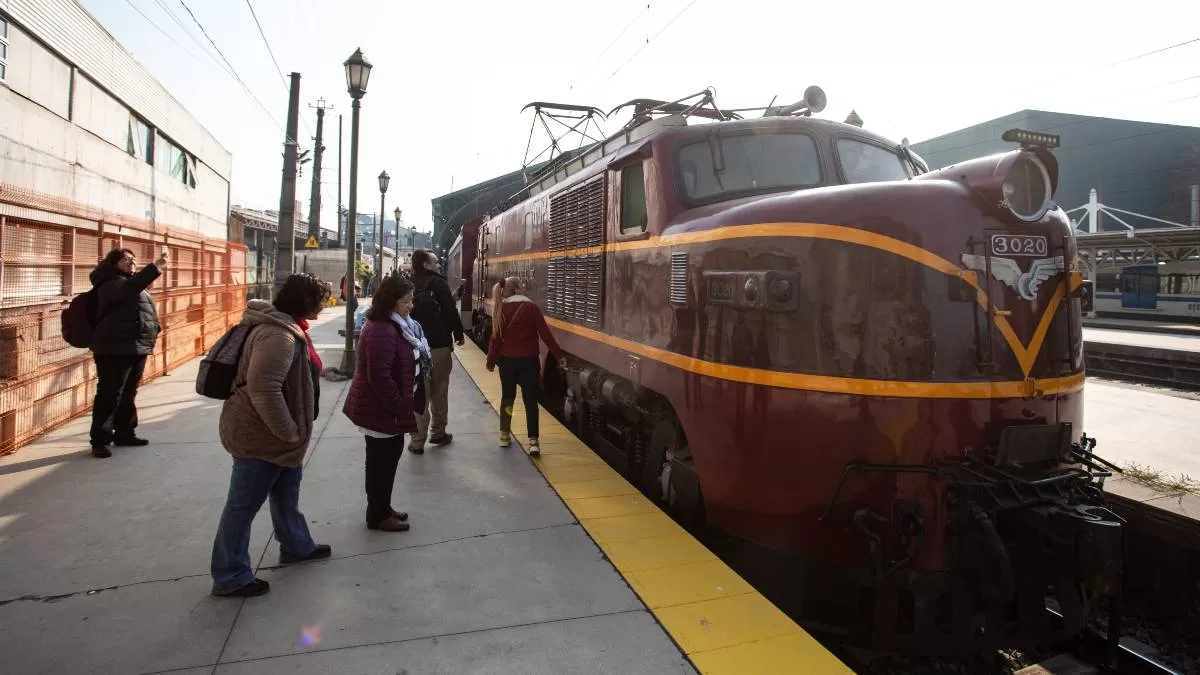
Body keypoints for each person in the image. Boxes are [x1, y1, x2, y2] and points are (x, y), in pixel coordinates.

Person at [210, 274, 332, 598]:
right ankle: (230, 574)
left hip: (277, 436)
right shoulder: (278, 335)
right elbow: (264, 389)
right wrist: (289, 432)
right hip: (262, 437)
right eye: (321, 297)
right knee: (242, 505)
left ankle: (296, 545)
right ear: (305, 302)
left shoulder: (288, 328)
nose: (325, 303)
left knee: (285, 497)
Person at [342, 276, 422, 531]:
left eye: (411, 300)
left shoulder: (391, 324)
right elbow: (380, 376)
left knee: (385, 463)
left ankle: (382, 507)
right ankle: (377, 516)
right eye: (405, 301)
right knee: (380, 465)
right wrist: (400, 407)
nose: (410, 306)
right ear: (391, 301)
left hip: (384, 410)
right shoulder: (382, 330)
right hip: (382, 411)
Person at [87, 247, 168, 458]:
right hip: (114, 349)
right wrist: (155, 267)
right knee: (110, 393)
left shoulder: (132, 283)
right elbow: (128, 289)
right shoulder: (109, 283)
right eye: (126, 259)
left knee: (128, 392)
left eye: (133, 259)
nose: (132, 263)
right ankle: (100, 440)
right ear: (113, 263)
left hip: (135, 346)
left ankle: (125, 432)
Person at [485, 276, 566, 456]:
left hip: (507, 362)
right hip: (529, 362)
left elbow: (495, 339)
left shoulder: (501, 308)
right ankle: (534, 442)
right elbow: (546, 335)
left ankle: (504, 436)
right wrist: (559, 356)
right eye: (522, 286)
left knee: (508, 398)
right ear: (518, 289)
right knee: (531, 401)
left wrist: (490, 362)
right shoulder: (532, 307)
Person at [407, 249, 465, 453]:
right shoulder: (438, 283)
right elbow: (449, 311)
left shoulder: (407, 284)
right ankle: (438, 433)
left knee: (418, 393)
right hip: (438, 346)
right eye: (435, 262)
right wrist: (458, 334)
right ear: (425, 264)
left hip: (414, 348)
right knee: (439, 390)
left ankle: (416, 441)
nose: (439, 265)